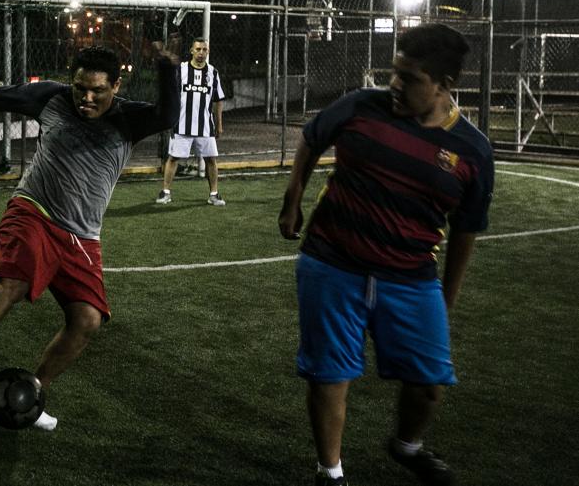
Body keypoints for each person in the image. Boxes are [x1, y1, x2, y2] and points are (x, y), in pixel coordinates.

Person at [277, 24, 494, 486]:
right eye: (394, 72)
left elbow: (466, 231)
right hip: (332, 263)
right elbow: (313, 136)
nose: (395, 84)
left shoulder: (472, 151)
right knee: (329, 375)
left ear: (444, 86)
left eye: (410, 77)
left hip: (410, 277)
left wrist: (446, 298)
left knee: (429, 383)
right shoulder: (361, 105)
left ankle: (407, 446)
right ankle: (330, 472)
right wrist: (293, 196)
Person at [0, 42, 180, 431]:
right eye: (80, 88)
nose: (87, 98)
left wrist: (166, 70)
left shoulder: (129, 118)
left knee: (87, 319)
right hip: (34, 211)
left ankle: (32, 393)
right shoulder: (51, 98)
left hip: (82, 237)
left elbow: (169, 114)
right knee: (15, 277)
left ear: (116, 86)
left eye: (97, 90)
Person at [155, 37, 228, 206]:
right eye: (198, 49)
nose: (201, 53)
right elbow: (170, 94)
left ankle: (214, 194)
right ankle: (165, 192)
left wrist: (220, 125)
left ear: (207, 52)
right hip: (181, 124)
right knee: (173, 158)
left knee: (211, 159)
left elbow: (218, 101)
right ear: (192, 51)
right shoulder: (180, 70)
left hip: (205, 127)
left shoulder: (213, 72)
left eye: (204, 49)